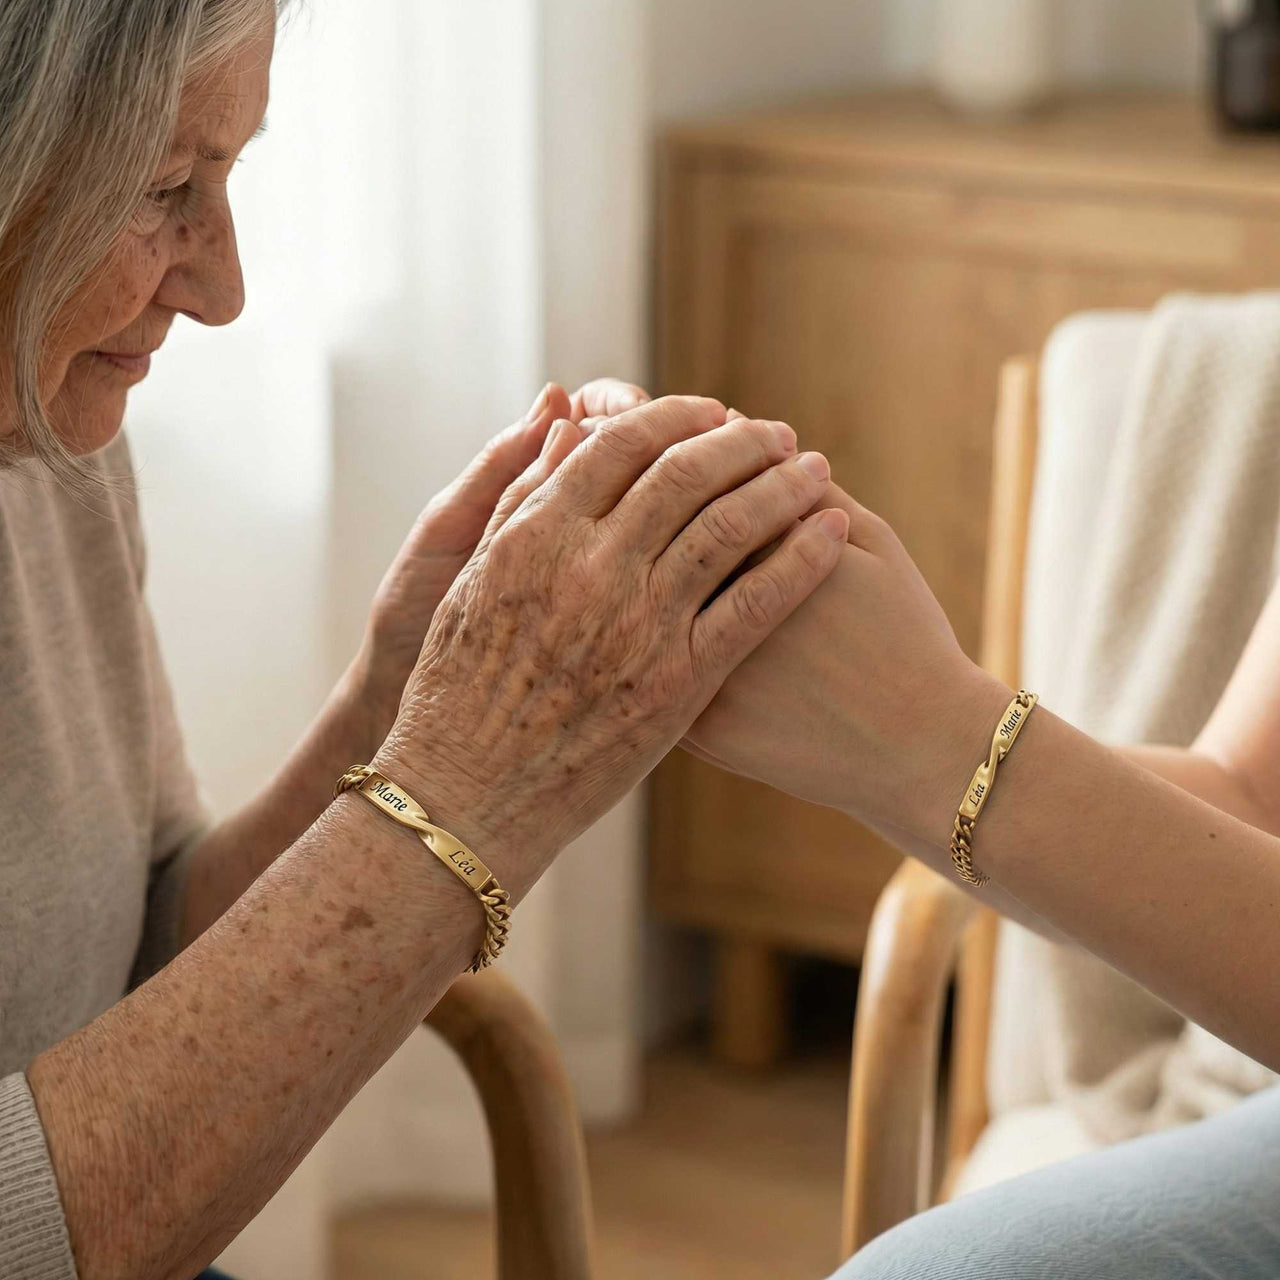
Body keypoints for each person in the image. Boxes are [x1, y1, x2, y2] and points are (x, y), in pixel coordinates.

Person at [0, 3, 852, 1277]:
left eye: (224, 176)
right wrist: (464, 780)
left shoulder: (48, 422)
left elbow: (134, 955)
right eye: (166, 185)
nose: (224, 289)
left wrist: (395, 703)